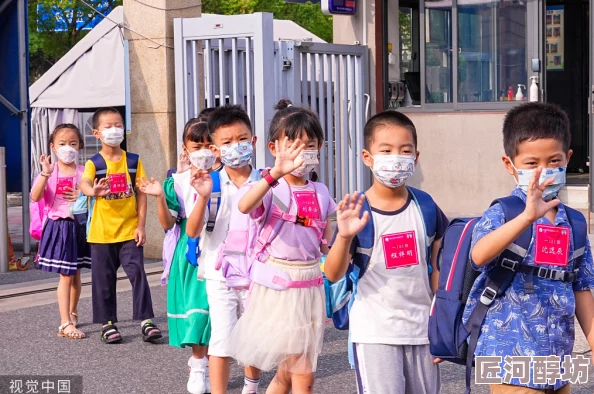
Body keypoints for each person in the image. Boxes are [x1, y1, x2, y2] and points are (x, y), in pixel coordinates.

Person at [464, 102, 594, 393]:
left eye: (554, 162)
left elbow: (581, 286)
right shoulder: (503, 212)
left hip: (558, 355)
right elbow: (479, 255)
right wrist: (526, 218)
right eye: (532, 164)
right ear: (510, 164)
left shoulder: (573, 222)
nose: (543, 172)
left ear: (568, 159)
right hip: (506, 354)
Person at [324, 111, 447, 394]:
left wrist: (441, 321)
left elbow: (438, 264)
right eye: (386, 150)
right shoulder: (357, 210)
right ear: (368, 157)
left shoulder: (425, 205)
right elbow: (332, 273)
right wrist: (344, 237)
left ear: (416, 157)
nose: (397, 157)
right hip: (374, 331)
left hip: (421, 330)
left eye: (405, 151)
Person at [228, 99, 336, 393]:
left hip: (310, 284)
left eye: (310, 144)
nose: (302, 152)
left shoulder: (322, 191)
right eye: (294, 145)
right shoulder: (270, 187)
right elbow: (244, 205)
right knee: (304, 374)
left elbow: (325, 239)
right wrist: (273, 174)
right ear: (274, 148)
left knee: (289, 373)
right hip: (279, 287)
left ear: (320, 148)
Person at [138, 120, 216, 394]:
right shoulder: (178, 183)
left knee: (220, 313)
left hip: (222, 249)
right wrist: (159, 197)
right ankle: (198, 366)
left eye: (210, 145)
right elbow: (169, 224)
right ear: (185, 148)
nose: (205, 151)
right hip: (191, 251)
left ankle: (210, 364)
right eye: (198, 146)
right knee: (199, 311)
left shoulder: (228, 177)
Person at [79, 107, 162, 344]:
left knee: (138, 274)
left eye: (118, 125)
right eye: (108, 126)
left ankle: (146, 320)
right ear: (97, 133)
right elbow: (84, 183)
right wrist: (92, 191)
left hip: (129, 231)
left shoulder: (133, 160)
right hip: (101, 234)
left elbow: (142, 193)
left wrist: (142, 226)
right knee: (103, 280)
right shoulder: (94, 163)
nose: (114, 130)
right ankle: (108, 323)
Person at [196, 105, 262, 394]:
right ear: (215, 148)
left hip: (258, 272)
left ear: (254, 140)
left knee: (254, 335)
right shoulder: (208, 182)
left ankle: (252, 384)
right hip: (218, 272)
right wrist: (202, 198)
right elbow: (192, 230)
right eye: (227, 142)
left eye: (242, 139)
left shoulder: (266, 181)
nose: (236, 147)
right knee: (221, 337)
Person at [30, 123, 90, 339]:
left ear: (80, 146)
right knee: (65, 275)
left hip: (79, 227)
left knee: (75, 274)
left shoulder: (84, 172)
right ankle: (64, 323)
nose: (68, 147)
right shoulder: (49, 172)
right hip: (59, 226)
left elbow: (92, 198)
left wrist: (84, 196)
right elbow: (35, 197)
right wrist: (45, 174)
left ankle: (73, 313)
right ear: (53, 147)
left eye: (73, 143)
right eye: (62, 143)